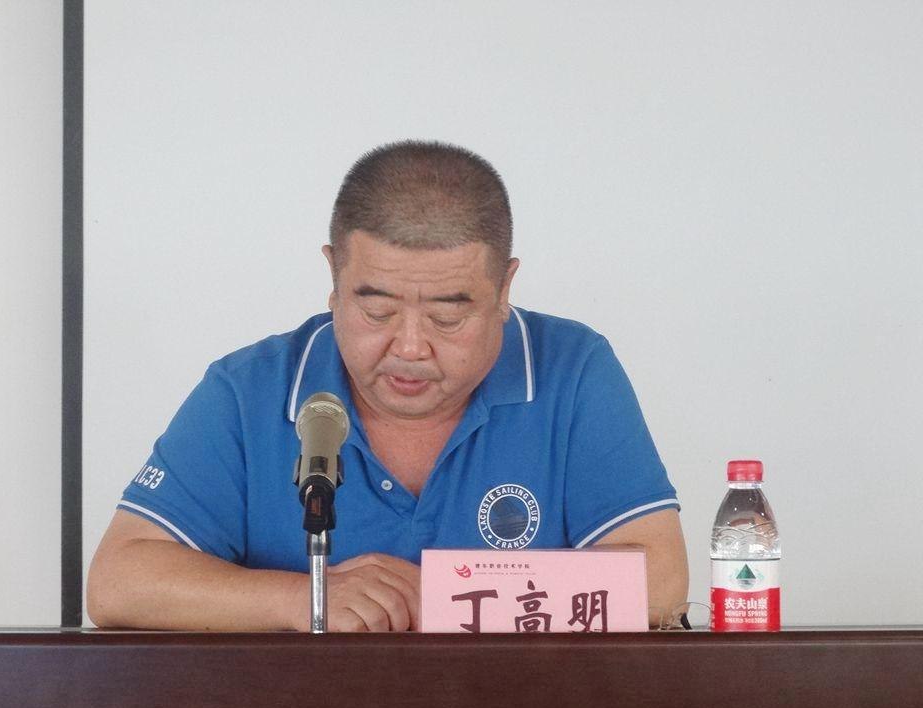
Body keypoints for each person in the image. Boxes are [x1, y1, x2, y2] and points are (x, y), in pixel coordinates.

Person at [87, 141, 689, 632]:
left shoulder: (570, 370)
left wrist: (449, 596)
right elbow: (118, 583)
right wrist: (307, 599)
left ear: (505, 289)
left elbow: (660, 584)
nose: (409, 347)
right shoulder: (249, 391)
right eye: (376, 311)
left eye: (447, 317)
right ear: (334, 276)